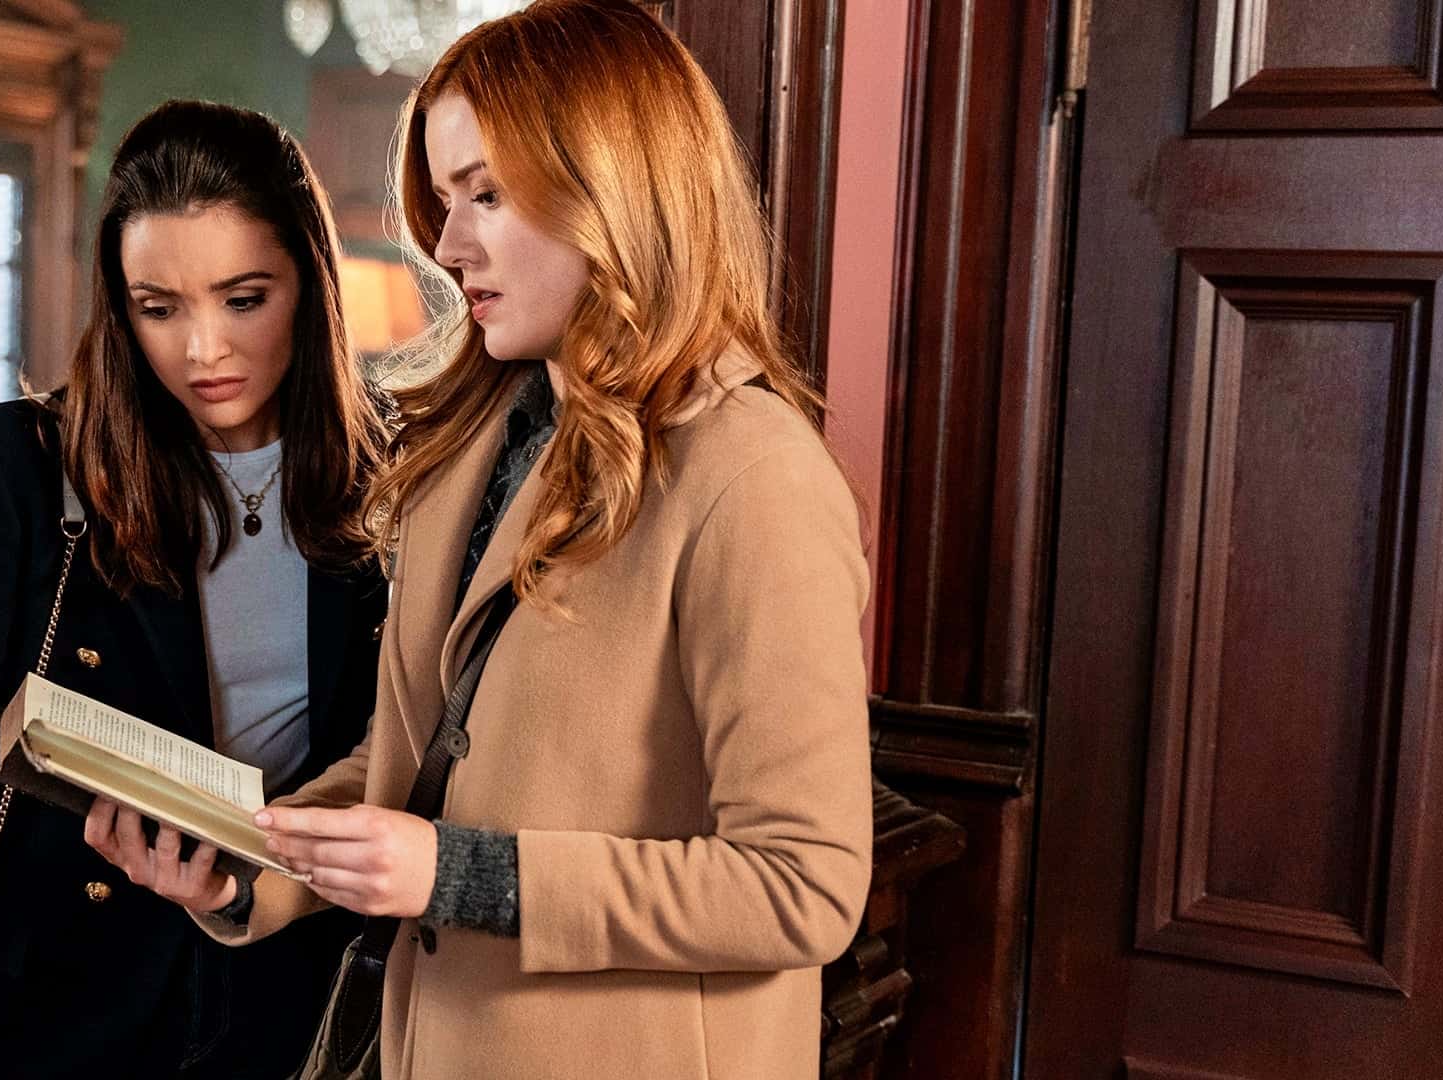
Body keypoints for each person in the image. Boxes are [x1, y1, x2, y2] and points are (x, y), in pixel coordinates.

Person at [88, 3, 875, 1077]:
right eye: (445, 203)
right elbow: (405, 764)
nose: (449, 248)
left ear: (615, 189)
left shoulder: (756, 477)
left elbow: (804, 887)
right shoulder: (470, 441)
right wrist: (242, 871)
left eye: (487, 196)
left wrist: (461, 877)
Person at [0, 99, 389, 1079]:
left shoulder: (395, 476)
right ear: (119, 302)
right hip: (71, 1000)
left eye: (243, 299)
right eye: (160, 308)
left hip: (290, 993)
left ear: (310, 286)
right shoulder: (19, 467)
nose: (204, 351)